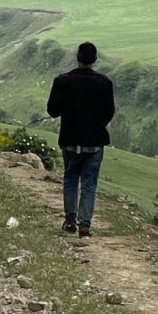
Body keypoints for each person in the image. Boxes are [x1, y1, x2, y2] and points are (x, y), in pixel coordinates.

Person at [46, 41, 115, 238]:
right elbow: (109, 112)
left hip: (69, 139)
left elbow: (52, 111)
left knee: (70, 179)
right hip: (94, 142)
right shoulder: (104, 83)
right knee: (89, 183)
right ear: (94, 60)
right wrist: (96, 124)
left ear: (77, 58)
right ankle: (85, 225)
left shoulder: (62, 81)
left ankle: (70, 221)